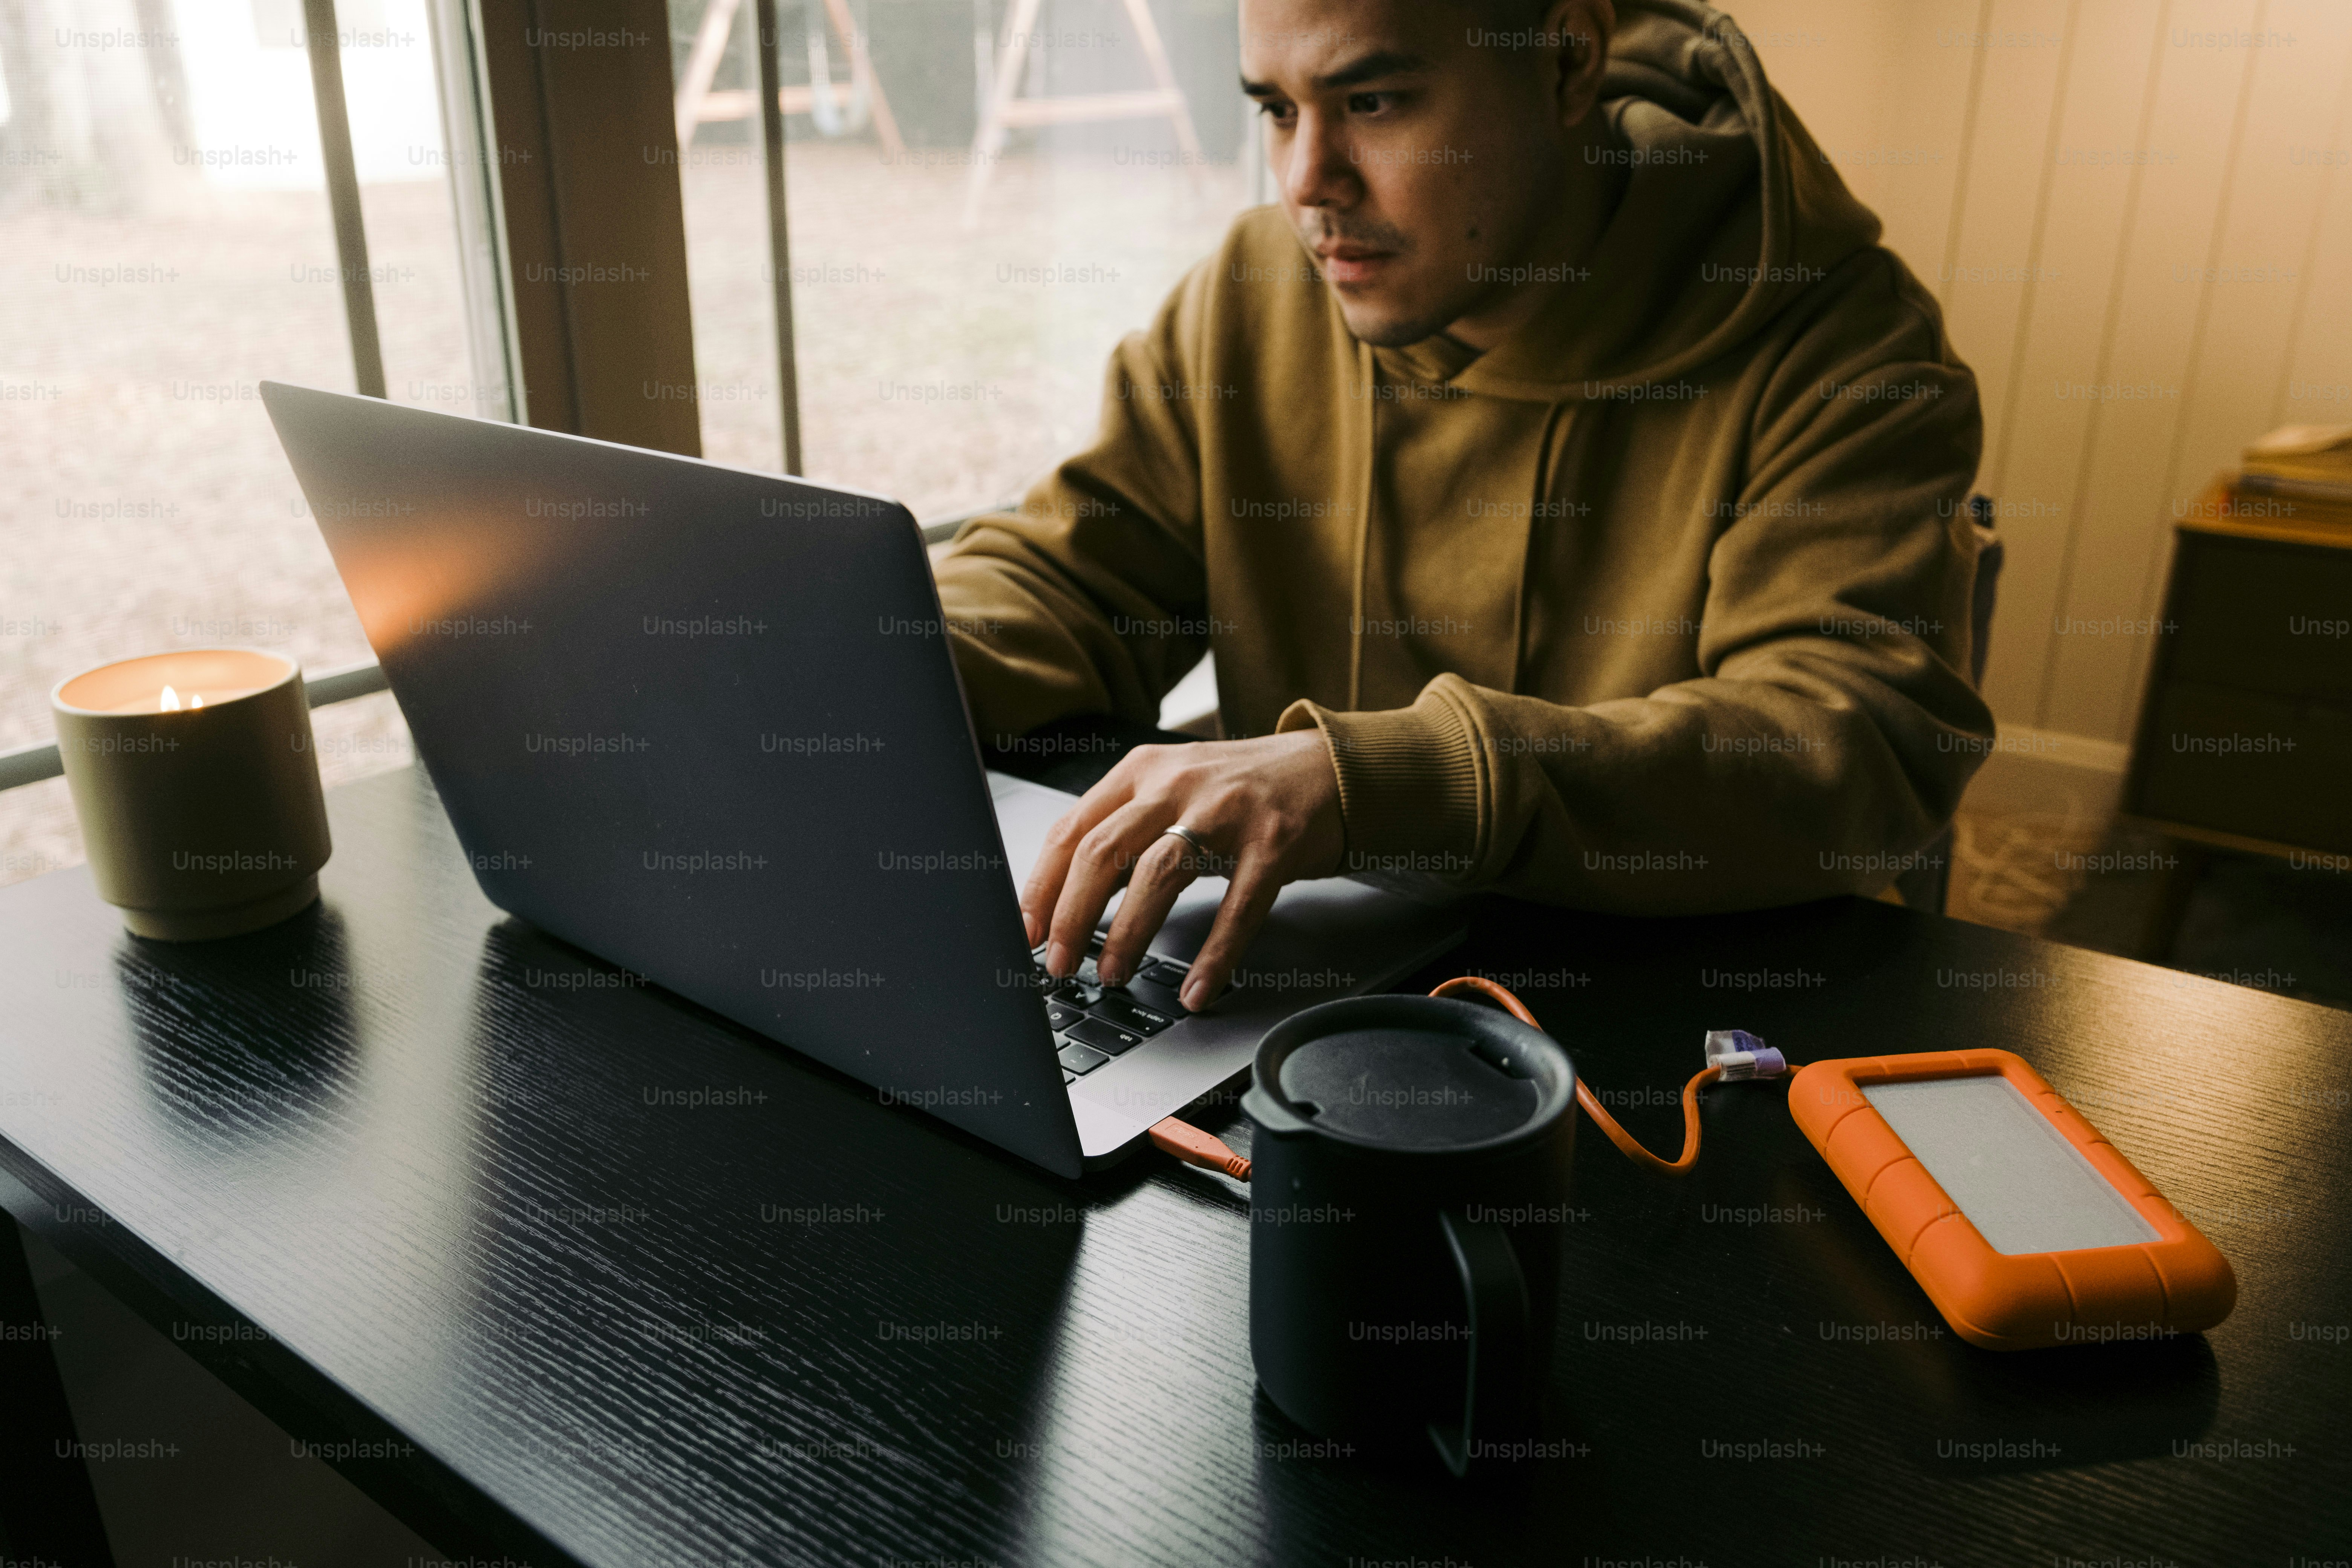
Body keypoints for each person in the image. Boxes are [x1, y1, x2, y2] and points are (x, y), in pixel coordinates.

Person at [934, 0, 1995, 1012]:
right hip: (1293, 1009)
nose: (1311, 183)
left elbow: (1846, 743)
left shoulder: (1847, 346)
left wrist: (1377, 785)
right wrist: (869, 654)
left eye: (1376, 102)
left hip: (1699, 1032)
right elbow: (1075, 572)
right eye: (1278, 109)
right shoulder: (1255, 289)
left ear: (1569, 62)